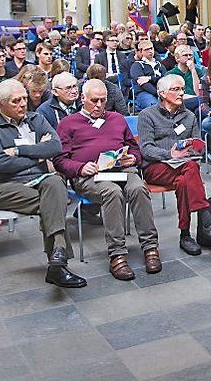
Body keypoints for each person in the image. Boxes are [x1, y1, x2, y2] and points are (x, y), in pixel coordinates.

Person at [0, 79, 86, 288]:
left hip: (40, 181)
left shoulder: (36, 119)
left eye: (24, 99)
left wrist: (20, 151)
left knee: (55, 182)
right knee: (54, 201)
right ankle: (58, 262)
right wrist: (38, 154)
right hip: (4, 187)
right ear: (0, 104)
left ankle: (57, 260)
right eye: (16, 101)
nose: (22, 104)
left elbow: (55, 147)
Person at [54, 79, 160, 280]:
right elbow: (60, 160)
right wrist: (80, 167)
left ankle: (150, 247)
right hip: (89, 174)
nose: (99, 105)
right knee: (112, 192)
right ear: (82, 98)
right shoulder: (68, 124)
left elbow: (135, 148)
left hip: (121, 169)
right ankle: (117, 254)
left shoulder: (116, 118)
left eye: (103, 100)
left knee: (138, 188)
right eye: (94, 100)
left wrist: (133, 158)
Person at [139, 75, 211, 256]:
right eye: (176, 89)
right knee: (190, 169)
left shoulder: (189, 116)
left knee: (185, 178)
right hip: (157, 167)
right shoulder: (147, 115)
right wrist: (169, 154)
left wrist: (196, 148)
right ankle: (207, 220)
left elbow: (197, 143)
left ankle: (185, 234)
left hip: (185, 166)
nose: (182, 93)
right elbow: (145, 149)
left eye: (182, 89)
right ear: (162, 93)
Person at [130, 38, 166, 110]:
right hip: (144, 93)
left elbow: (166, 79)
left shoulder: (159, 64)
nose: (150, 51)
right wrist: (158, 93)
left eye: (151, 48)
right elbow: (144, 84)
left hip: (163, 91)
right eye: (146, 49)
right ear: (141, 51)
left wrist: (150, 78)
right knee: (155, 107)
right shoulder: (137, 65)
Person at [166, 44, 203, 112]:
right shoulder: (171, 74)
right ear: (177, 58)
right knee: (200, 101)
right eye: (185, 55)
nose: (189, 57)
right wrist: (195, 98)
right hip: (179, 104)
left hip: (197, 103)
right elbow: (174, 96)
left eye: (190, 55)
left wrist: (193, 71)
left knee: (199, 110)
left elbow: (198, 92)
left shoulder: (198, 71)